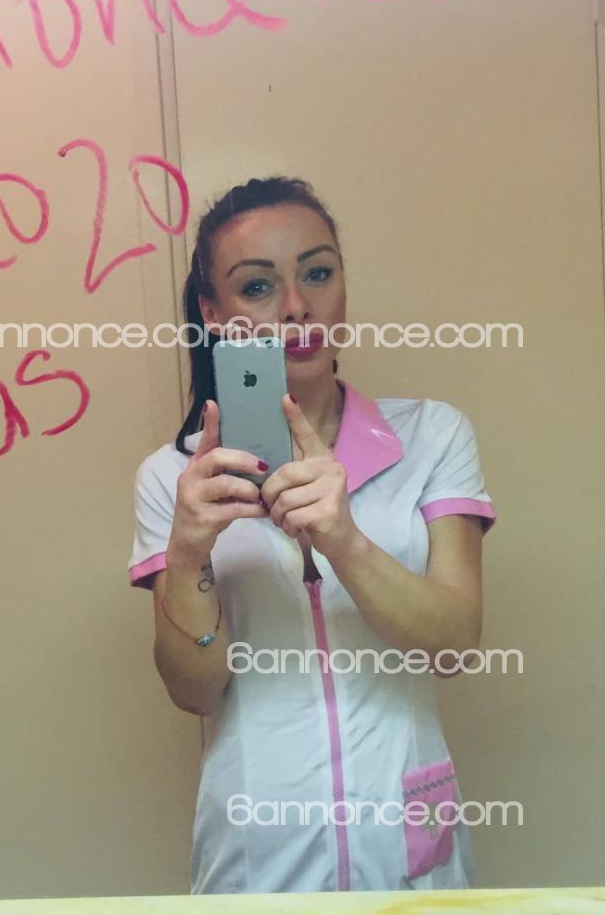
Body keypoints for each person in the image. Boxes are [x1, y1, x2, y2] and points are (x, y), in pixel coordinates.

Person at [128, 176, 497, 894]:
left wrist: (345, 542)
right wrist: (188, 551)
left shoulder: (432, 436)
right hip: (256, 842)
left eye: (318, 273)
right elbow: (193, 690)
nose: (297, 306)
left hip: (406, 829)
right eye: (258, 286)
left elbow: (455, 645)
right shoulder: (174, 477)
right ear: (213, 312)